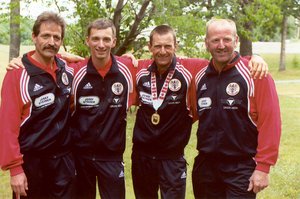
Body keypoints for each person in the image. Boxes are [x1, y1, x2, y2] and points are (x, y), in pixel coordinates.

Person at [131, 24, 269, 199]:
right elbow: (112, 60)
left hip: (173, 158)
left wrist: (255, 57)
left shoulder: (192, 68)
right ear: (149, 47)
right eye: (157, 46)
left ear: (176, 46)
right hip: (142, 157)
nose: (163, 51)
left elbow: (225, 59)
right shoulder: (139, 69)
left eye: (168, 46)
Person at [192, 18, 281, 199]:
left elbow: (270, 123)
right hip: (205, 167)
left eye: (227, 39)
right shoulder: (199, 76)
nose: (221, 45)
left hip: (240, 168)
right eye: (215, 40)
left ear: (237, 40)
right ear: (206, 43)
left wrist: (263, 167)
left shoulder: (256, 74)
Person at [0, 11, 76, 198]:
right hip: (32, 163)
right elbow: (7, 126)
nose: (51, 42)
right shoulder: (17, 74)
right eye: (45, 36)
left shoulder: (67, 69)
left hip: (64, 162)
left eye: (56, 37)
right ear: (34, 37)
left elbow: (100, 60)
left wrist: (131, 57)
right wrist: (15, 169)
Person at [69, 18, 135, 199]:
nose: (101, 44)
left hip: (112, 157)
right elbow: (47, 60)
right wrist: (22, 59)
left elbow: (164, 59)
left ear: (114, 42)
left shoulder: (128, 69)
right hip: (80, 157)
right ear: (87, 41)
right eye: (96, 39)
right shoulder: (75, 72)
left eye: (106, 39)